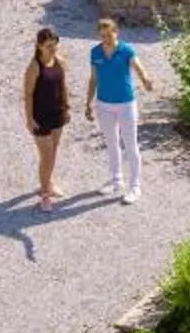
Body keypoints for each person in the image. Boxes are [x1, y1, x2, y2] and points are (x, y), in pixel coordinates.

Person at [86, 16, 156, 202]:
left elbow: (138, 68)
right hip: (104, 104)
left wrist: (146, 80)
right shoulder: (95, 53)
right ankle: (117, 180)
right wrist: (88, 103)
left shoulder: (126, 50)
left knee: (130, 144)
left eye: (109, 35)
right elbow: (93, 79)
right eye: (103, 36)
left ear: (116, 32)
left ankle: (135, 187)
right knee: (111, 143)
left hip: (125, 104)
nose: (106, 39)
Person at [22, 28, 70, 209]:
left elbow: (63, 86)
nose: (53, 49)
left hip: (57, 113)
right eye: (48, 46)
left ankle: (49, 183)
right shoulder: (34, 67)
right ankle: (44, 194)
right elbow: (27, 95)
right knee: (46, 156)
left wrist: (66, 107)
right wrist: (29, 119)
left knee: (53, 152)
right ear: (39, 46)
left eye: (54, 45)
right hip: (40, 117)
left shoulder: (58, 60)